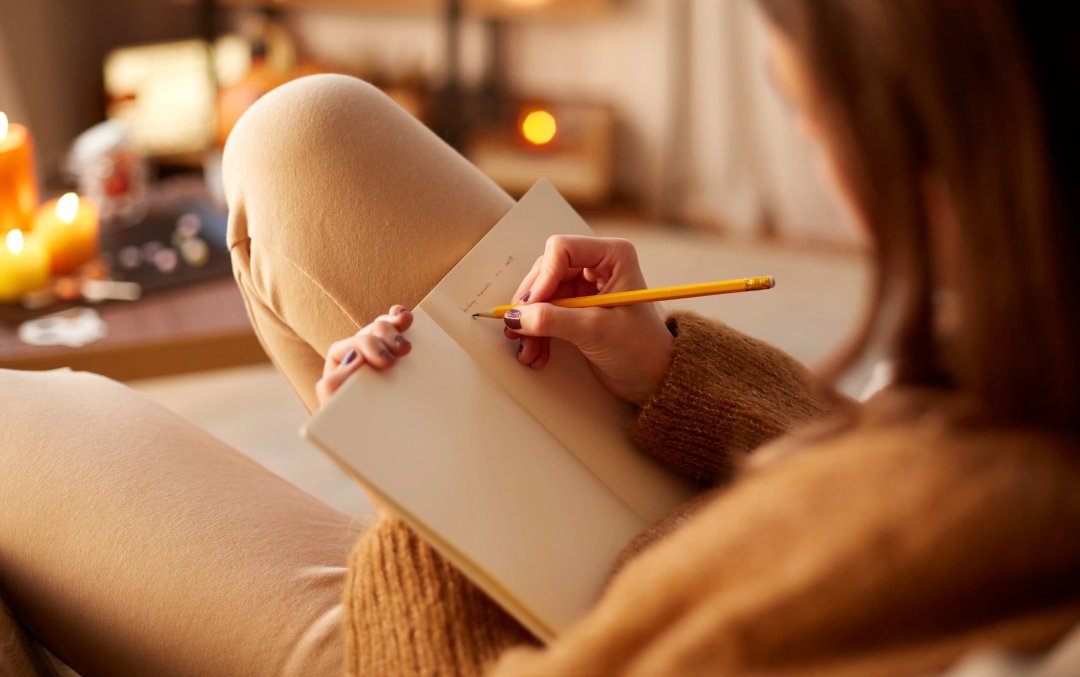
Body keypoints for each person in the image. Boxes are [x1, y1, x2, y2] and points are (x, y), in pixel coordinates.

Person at [1, 1, 1078, 674]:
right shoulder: (1025, 376)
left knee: (21, 424)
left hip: (483, 643)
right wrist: (673, 370)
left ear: (949, 150)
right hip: (690, 525)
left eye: (806, 112)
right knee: (303, 132)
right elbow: (864, 482)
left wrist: (426, 488)